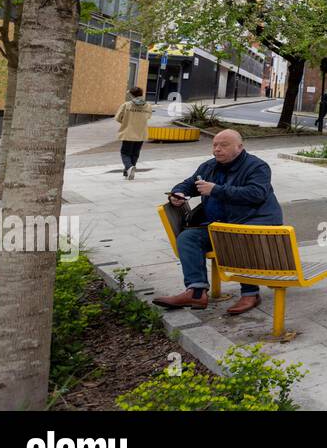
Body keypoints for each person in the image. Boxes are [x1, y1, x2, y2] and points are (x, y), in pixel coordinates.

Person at [153, 129, 283, 314]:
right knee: (187, 238)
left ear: (239, 147)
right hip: (219, 225)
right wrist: (179, 193)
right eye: (215, 145)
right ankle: (196, 292)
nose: (217, 149)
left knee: (234, 236)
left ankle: (250, 293)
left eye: (224, 145)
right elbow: (188, 184)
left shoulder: (257, 166)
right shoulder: (208, 167)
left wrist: (216, 190)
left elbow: (256, 194)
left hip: (254, 223)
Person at [115, 86, 153, 180]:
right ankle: (128, 173)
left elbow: (118, 118)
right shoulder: (148, 105)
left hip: (128, 132)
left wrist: (127, 121)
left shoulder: (126, 105)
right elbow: (148, 117)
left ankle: (129, 167)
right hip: (141, 133)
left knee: (125, 153)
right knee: (135, 153)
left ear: (132, 95)